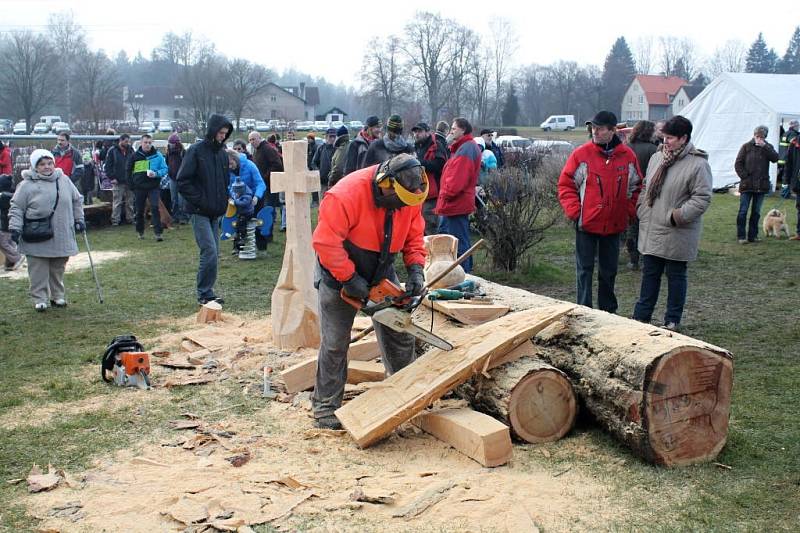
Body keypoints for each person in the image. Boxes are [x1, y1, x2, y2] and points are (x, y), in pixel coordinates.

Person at [311, 153, 427, 429]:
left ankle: (407, 397)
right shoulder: (345, 195)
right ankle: (325, 408)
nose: (402, 206)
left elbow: (414, 235)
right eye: (398, 200)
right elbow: (326, 243)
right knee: (336, 342)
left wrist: (415, 269)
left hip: (382, 267)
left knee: (399, 333)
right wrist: (349, 278)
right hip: (339, 273)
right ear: (384, 184)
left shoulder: (411, 194)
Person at [633, 116, 712, 331]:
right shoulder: (657, 158)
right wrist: (642, 209)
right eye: (664, 137)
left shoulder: (698, 164)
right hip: (652, 227)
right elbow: (646, 187)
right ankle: (641, 316)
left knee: (676, 276)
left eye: (670, 138)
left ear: (683, 138)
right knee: (650, 274)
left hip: (677, 231)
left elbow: (702, 198)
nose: (665, 141)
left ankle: (672, 320)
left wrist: (677, 216)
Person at [557, 111, 641, 313]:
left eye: (600, 128)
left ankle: (608, 311)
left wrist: (627, 211)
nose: (595, 131)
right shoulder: (582, 154)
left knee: (609, 271)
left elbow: (637, 186)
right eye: (593, 128)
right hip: (586, 223)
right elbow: (566, 184)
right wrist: (575, 212)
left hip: (614, 224)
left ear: (613, 130)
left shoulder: (627, 156)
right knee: (584, 270)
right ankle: (583, 309)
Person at [8, 149, 84, 311]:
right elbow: (16, 207)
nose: (47, 167)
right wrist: (15, 227)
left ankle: (57, 296)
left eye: (49, 163)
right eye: (42, 164)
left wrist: (79, 219)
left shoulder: (64, 180)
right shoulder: (26, 185)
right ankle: (40, 298)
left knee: (58, 267)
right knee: (38, 268)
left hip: (62, 232)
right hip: (36, 233)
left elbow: (77, 200)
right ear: (35, 167)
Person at [177, 114, 233, 305]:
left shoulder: (223, 154)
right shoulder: (195, 151)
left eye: (225, 134)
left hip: (215, 211)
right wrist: (200, 200)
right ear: (213, 130)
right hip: (198, 210)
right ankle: (204, 293)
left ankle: (208, 292)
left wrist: (224, 200)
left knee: (214, 252)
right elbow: (183, 181)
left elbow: (223, 181)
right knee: (209, 251)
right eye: (220, 133)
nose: (223, 137)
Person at [436, 117, 482, 273]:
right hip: (452, 204)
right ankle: (452, 274)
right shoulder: (460, 148)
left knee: (458, 244)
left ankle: (464, 276)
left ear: (463, 130)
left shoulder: (466, 149)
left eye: (453, 129)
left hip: (455, 204)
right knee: (453, 242)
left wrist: (445, 195)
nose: (450, 132)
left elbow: (457, 180)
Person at [624, 120, 659, 270]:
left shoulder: (626, 148)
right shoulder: (654, 149)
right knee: (647, 227)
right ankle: (646, 259)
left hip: (630, 191)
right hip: (647, 191)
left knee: (632, 227)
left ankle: (633, 259)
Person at [734, 125, 778, 244]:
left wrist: (765, 147)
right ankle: (741, 236)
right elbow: (738, 164)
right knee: (743, 211)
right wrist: (745, 176)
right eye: (757, 136)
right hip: (747, 185)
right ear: (754, 135)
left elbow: (775, 158)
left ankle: (753, 236)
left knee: (756, 212)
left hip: (761, 186)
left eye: (761, 137)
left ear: (765, 137)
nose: (759, 138)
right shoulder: (746, 147)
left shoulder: (768, 147)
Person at [129, 134, 168, 241]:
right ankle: (140, 231)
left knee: (155, 208)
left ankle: (158, 233)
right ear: (141, 143)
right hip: (139, 187)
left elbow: (165, 169)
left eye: (150, 143)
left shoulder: (158, 155)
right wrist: (132, 185)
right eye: (145, 142)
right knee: (140, 210)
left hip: (153, 186)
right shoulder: (135, 156)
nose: (148, 145)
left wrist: (156, 174)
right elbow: (128, 171)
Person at [227, 149, 266, 254]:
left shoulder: (250, 165)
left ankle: (262, 247)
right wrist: (232, 197)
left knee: (258, 221)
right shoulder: (227, 170)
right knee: (239, 222)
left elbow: (260, 183)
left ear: (236, 159)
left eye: (231, 163)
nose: (230, 167)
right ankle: (237, 247)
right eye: (228, 165)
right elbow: (228, 185)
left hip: (254, 197)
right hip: (239, 199)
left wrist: (257, 196)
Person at [412, 122, 448, 235]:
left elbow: (440, 165)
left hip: (432, 194)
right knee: (419, 227)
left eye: (420, 131)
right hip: (419, 193)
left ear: (428, 132)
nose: (416, 134)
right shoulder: (417, 146)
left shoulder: (436, 145)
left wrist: (419, 163)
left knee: (430, 227)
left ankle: (432, 251)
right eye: (415, 132)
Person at [249, 131, 284, 241]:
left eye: (253, 139)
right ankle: (263, 234)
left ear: (259, 138)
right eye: (250, 140)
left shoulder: (267, 149)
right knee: (261, 210)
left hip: (269, 185)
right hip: (261, 187)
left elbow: (277, 165)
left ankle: (268, 235)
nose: (252, 142)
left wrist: (264, 177)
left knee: (268, 210)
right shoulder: (257, 150)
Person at [104, 134, 135, 225]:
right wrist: (112, 177)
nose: (127, 143)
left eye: (128, 141)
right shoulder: (112, 151)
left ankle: (130, 218)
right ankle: (115, 220)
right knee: (117, 202)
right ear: (120, 141)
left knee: (130, 202)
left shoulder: (131, 150)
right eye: (126, 141)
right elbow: (108, 166)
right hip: (117, 181)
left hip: (129, 180)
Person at [0, 174, 24, 271]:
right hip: (10, 224)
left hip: (5, 224)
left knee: (3, 243)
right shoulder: (13, 194)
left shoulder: (3, 196)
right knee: (9, 242)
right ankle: (10, 262)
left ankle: (17, 257)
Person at [780, 127, 800, 239]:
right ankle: (799, 233)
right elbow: (789, 163)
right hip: (798, 183)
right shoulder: (795, 142)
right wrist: (785, 182)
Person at [166, 133, 188, 223]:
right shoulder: (168, 152)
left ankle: (184, 217)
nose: (170, 144)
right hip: (172, 178)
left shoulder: (183, 152)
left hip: (182, 179)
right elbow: (167, 163)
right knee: (174, 199)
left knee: (182, 199)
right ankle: (175, 216)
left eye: (172, 143)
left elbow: (187, 165)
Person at [311, 128, 337, 197]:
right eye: (330, 136)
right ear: (326, 137)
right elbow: (313, 163)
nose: (332, 139)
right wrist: (319, 172)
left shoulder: (338, 149)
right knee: (323, 202)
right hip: (323, 182)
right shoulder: (320, 148)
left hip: (335, 181)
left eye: (334, 136)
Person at [778, 120, 799, 193]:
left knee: (784, 175)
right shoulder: (793, 134)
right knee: (787, 176)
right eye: (798, 126)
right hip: (788, 158)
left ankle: (785, 190)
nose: (798, 128)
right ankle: (785, 192)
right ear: (794, 126)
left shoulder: (785, 133)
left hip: (782, 158)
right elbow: (794, 142)